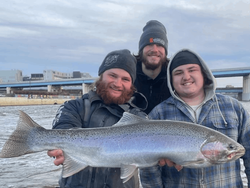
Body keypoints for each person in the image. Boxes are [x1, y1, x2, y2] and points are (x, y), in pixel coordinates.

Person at [140, 49, 250, 187]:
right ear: (171, 80)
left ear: (203, 74)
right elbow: (148, 168)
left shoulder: (233, 107)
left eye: (192, 70)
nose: (186, 77)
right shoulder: (159, 114)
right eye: (178, 73)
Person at [47, 49, 148, 188]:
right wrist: (61, 149)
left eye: (125, 79)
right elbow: (63, 127)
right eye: (113, 75)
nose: (118, 84)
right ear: (101, 76)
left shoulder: (139, 117)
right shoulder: (75, 106)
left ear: (132, 85)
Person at [134, 20, 171, 114]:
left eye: (159, 45)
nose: (154, 50)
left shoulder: (173, 77)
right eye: (149, 44)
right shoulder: (128, 75)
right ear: (141, 49)